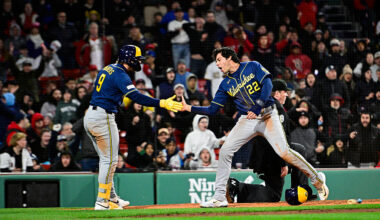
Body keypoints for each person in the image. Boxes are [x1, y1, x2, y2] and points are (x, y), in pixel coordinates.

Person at [180, 47, 328, 207]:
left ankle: (317, 179)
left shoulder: (252, 66)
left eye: (219, 60)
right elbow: (212, 109)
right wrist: (188, 108)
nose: (217, 64)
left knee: (284, 152)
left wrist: (257, 106)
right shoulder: (225, 84)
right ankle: (219, 197)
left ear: (229, 57)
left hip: (267, 114)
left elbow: (267, 85)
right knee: (225, 150)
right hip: (247, 119)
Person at [83, 45, 182, 210]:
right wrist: (162, 103)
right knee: (110, 160)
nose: (139, 62)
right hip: (103, 117)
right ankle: (102, 201)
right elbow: (136, 97)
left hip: (91, 116)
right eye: (137, 59)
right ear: (128, 59)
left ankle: (112, 198)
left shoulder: (108, 68)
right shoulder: (121, 74)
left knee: (107, 160)